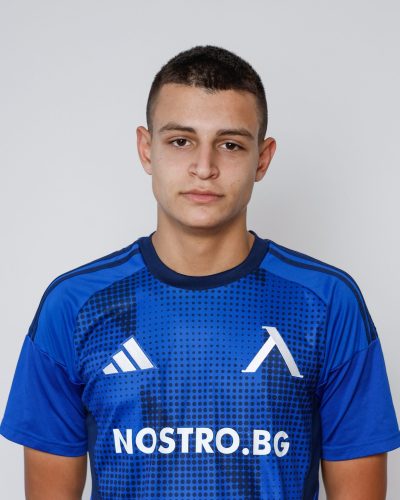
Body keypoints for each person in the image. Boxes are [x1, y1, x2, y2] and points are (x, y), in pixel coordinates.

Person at [1, 44, 399, 500]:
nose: (204, 168)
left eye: (230, 145)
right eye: (181, 141)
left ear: (262, 158)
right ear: (146, 149)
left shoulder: (327, 303)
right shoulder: (74, 306)